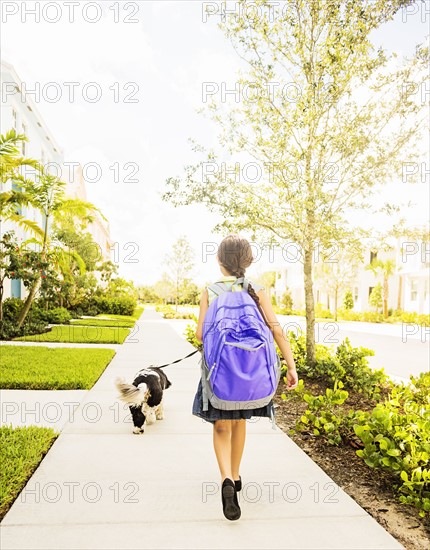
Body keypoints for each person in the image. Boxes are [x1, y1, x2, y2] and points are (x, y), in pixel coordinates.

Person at [192, 234, 299, 521]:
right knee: (239, 421)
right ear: (248, 261)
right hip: (250, 372)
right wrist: (290, 365)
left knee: (220, 425)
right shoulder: (258, 289)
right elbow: (276, 330)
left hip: (220, 372)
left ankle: (226, 479)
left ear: (219, 261)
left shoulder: (210, 291)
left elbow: (201, 335)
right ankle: (237, 477)